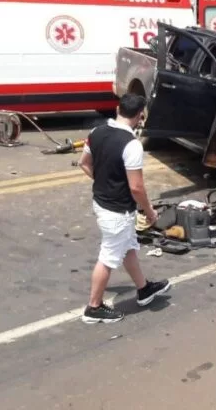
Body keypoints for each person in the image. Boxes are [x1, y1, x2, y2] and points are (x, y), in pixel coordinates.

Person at [77, 94, 171, 323]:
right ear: (141, 116)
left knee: (129, 247)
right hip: (117, 211)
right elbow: (137, 187)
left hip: (102, 203)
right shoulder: (132, 145)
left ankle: (144, 289)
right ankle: (94, 307)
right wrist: (150, 212)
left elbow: (84, 163)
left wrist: (103, 182)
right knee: (108, 257)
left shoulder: (96, 132)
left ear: (118, 108)